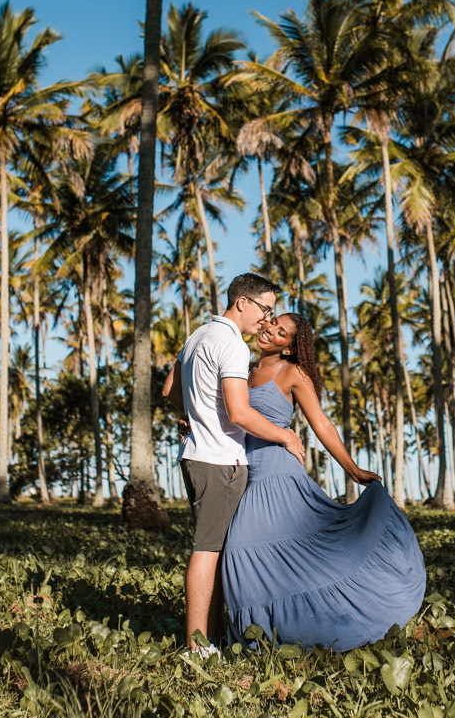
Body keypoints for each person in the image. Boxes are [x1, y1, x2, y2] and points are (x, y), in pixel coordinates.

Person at [220, 312, 426, 651]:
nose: (271, 330)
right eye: (272, 323)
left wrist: (354, 470)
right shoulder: (241, 368)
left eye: (281, 332)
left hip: (278, 475)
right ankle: (260, 635)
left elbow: (322, 425)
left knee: (267, 550)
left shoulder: (292, 373)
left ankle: (293, 631)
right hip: (245, 473)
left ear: (289, 348)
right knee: (242, 554)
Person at [163, 273, 305, 658]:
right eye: (265, 309)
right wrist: (286, 436)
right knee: (208, 550)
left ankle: (214, 635)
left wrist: (196, 414)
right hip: (220, 460)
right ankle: (197, 645)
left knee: (216, 549)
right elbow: (240, 413)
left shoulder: (198, 335)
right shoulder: (233, 346)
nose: (266, 320)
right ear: (242, 302)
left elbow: (170, 389)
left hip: (195, 455)